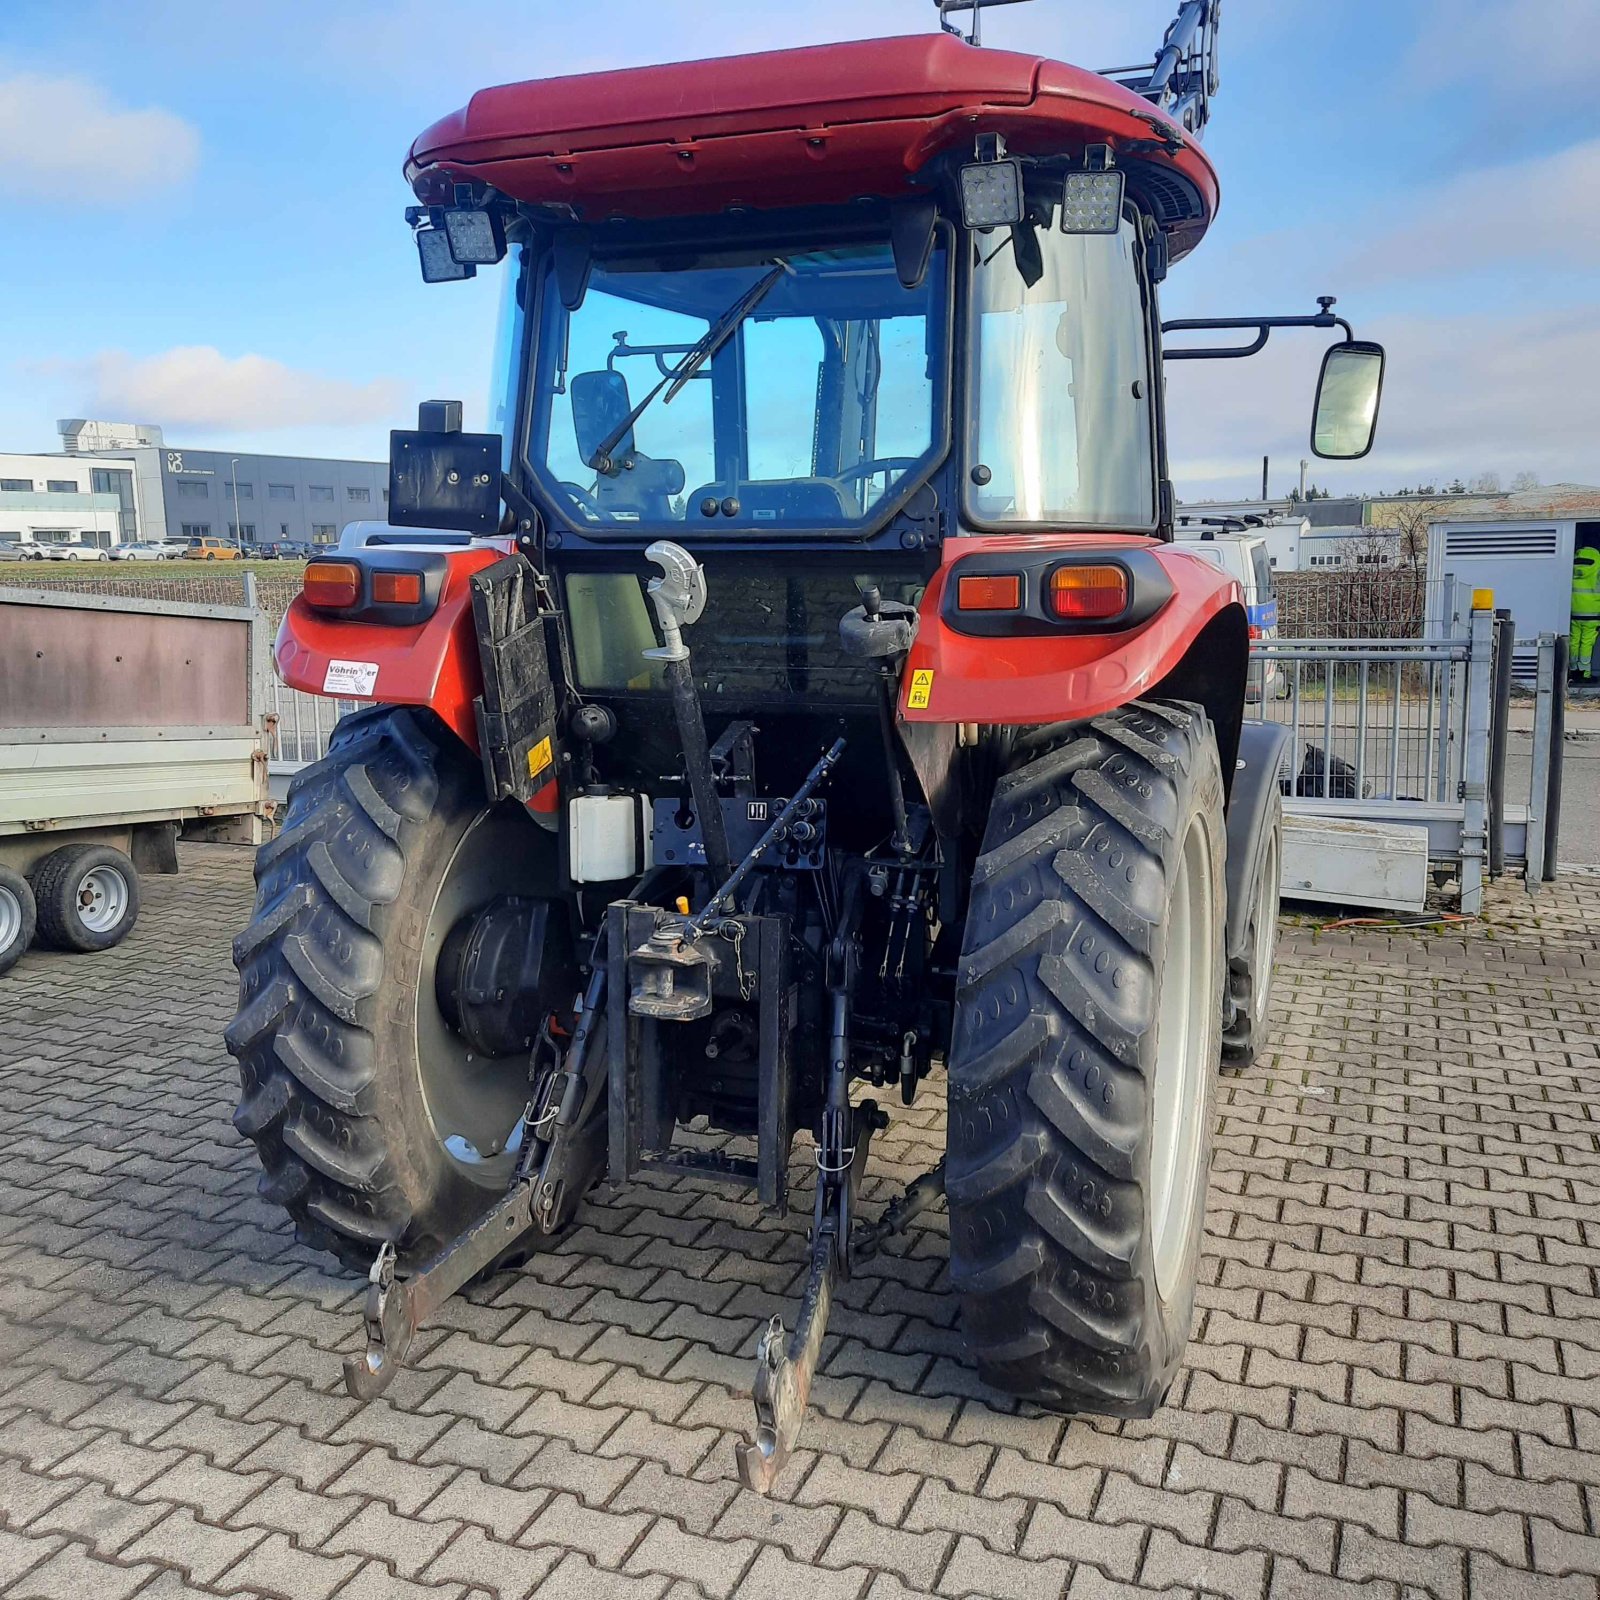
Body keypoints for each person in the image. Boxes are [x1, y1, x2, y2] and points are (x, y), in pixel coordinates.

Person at [1573, 544, 1600, 682]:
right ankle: (1584, 673)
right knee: (1586, 643)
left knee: (1573, 642)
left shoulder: (1573, 568)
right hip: (1592, 614)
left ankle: (1572, 671)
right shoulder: (1597, 569)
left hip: (1573, 613)